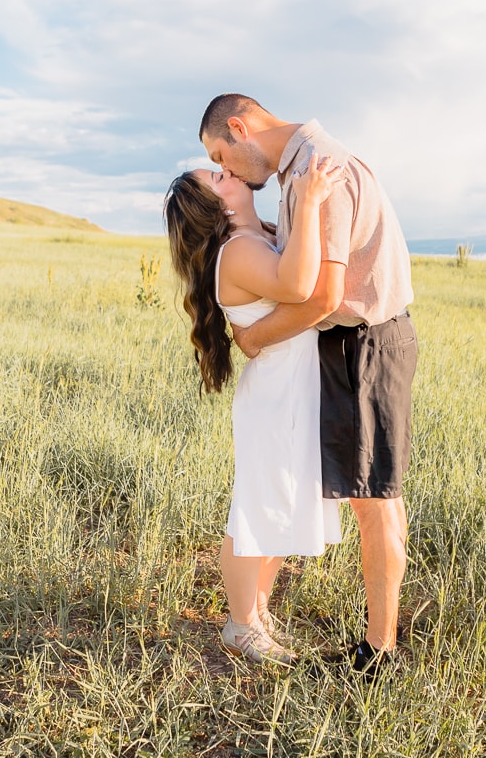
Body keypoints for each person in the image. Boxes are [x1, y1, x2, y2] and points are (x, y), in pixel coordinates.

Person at [199, 94, 416, 676]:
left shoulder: (319, 168)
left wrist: (253, 338)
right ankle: (359, 641)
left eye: (223, 155)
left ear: (241, 128)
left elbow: (320, 294)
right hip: (338, 348)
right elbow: (294, 272)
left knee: (375, 501)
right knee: (347, 497)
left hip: (365, 344)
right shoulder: (299, 175)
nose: (230, 170)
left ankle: (379, 653)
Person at [163, 152, 346, 666]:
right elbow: (295, 286)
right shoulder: (239, 250)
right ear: (216, 209)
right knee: (258, 507)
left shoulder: (254, 235)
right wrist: (310, 200)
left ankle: (258, 611)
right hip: (275, 394)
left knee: (280, 504)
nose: (232, 173)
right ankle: (240, 624)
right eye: (220, 177)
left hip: (291, 386)